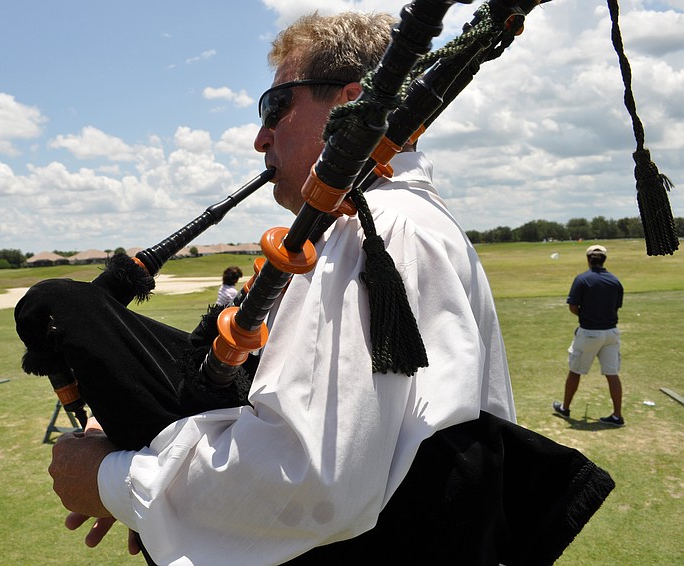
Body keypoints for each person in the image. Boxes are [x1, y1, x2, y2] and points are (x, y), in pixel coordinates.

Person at [44, 12, 612, 565]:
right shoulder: (397, 218)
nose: (260, 138)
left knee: (53, 306)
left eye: (276, 106)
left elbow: (307, 480)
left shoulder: (375, 229)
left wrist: (110, 478)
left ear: (349, 102)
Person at [553, 244, 625, 426]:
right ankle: (617, 416)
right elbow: (616, 307)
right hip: (611, 333)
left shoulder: (582, 279)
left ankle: (565, 408)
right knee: (612, 373)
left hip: (589, 333)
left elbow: (573, 307)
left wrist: (586, 315)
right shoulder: (615, 281)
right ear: (604, 260)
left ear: (588, 259)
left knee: (575, 370)